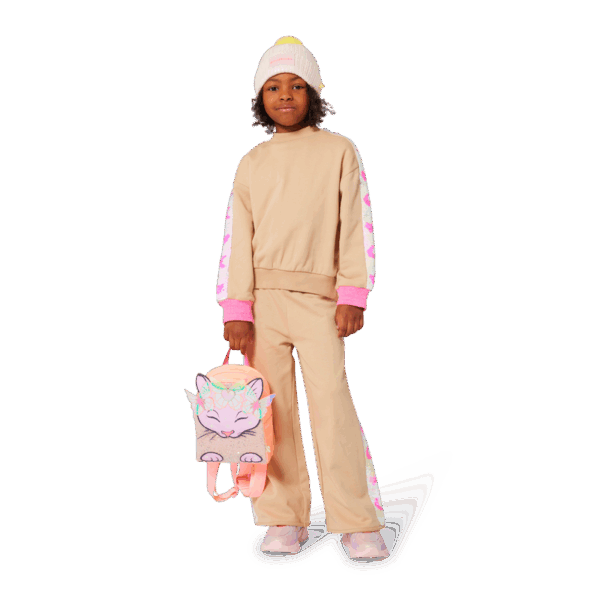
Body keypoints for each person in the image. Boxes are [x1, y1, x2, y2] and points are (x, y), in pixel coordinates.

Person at [215, 36, 389, 560]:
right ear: (259, 99)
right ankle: (282, 517)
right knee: (272, 413)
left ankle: (356, 520)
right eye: (273, 87)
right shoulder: (252, 162)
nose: (285, 94)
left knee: (332, 406)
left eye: (296, 85)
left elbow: (356, 223)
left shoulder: (339, 151)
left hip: (321, 302)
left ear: (314, 93)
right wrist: (236, 309)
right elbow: (236, 239)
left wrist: (353, 292)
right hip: (262, 305)